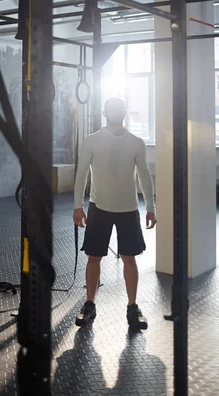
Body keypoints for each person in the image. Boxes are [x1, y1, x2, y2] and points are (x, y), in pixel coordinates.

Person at [73, 97, 156, 330]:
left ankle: (132, 307)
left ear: (124, 113)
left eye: (118, 109)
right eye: (111, 108)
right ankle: (89, 304)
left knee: (129, 258)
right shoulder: (92, 141)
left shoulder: (136, 143)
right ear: (104, 112)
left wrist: (150, 207)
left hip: (128, 210)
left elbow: (144, 176)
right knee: (94, 258)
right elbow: (81, 174)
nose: (115, 112)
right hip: (99, 207)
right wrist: (77, 206)